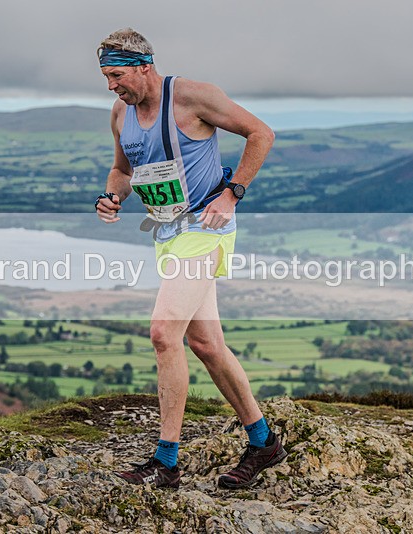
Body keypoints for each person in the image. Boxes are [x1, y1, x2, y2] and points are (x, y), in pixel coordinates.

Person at [94, 28, 286, 488]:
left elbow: (261, 133)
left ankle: (166, 461)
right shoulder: (121, 112)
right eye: (104, 77)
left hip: (206, 229)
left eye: (117, 74)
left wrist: (232, 194)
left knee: (164, 332)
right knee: (206, 345)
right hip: (168, 233)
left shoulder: (193, 96)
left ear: (144, 65)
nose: (110, 86)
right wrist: (111, 196)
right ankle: (263, 442)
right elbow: (123, 170)